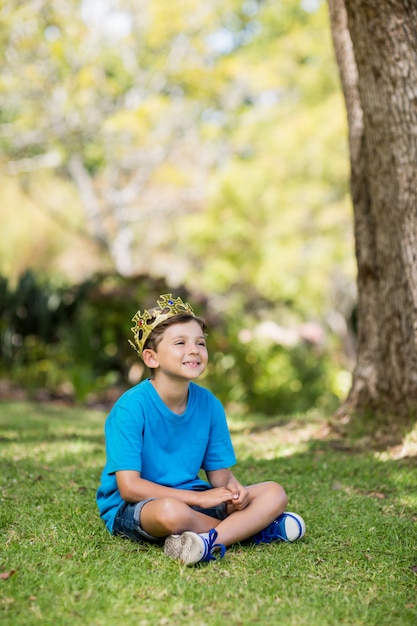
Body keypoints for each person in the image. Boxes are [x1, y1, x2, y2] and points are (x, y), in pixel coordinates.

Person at [96, 294, 305, 566]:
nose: (194, 350)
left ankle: (206, 542)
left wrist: (235, 492)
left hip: (195, 501)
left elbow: (220, 478)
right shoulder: (130, 408)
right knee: (172, 513)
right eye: (180, 343)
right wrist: (200, 497)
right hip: (139, 507)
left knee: (274, 492)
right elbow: (130, 488)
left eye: (200, 343)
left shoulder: (209, 405)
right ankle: (252, 532)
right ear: (151, 357)